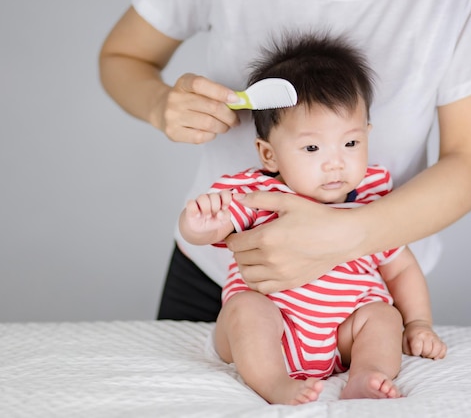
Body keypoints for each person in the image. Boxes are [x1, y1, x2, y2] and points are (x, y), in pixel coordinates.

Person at [99, 0, 471, 322]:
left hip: (364, 285)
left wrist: (349, 235)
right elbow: (122, 56)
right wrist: (160, 104)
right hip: (223, 269)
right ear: (266, 153)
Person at [179, 32, 446, 404]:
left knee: (383, 316)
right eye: (311, 147)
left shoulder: (372, 204)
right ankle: (273, 382)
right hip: (272, 327)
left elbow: (401, 269)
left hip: (343, 336)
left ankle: (367, 374)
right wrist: (198, 224)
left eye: (351, 143)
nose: (336, 161)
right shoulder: (260, 196)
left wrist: (418, 323)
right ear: (269, 155)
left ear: (368, 135)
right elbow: (213, 228)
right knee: (246, 309)